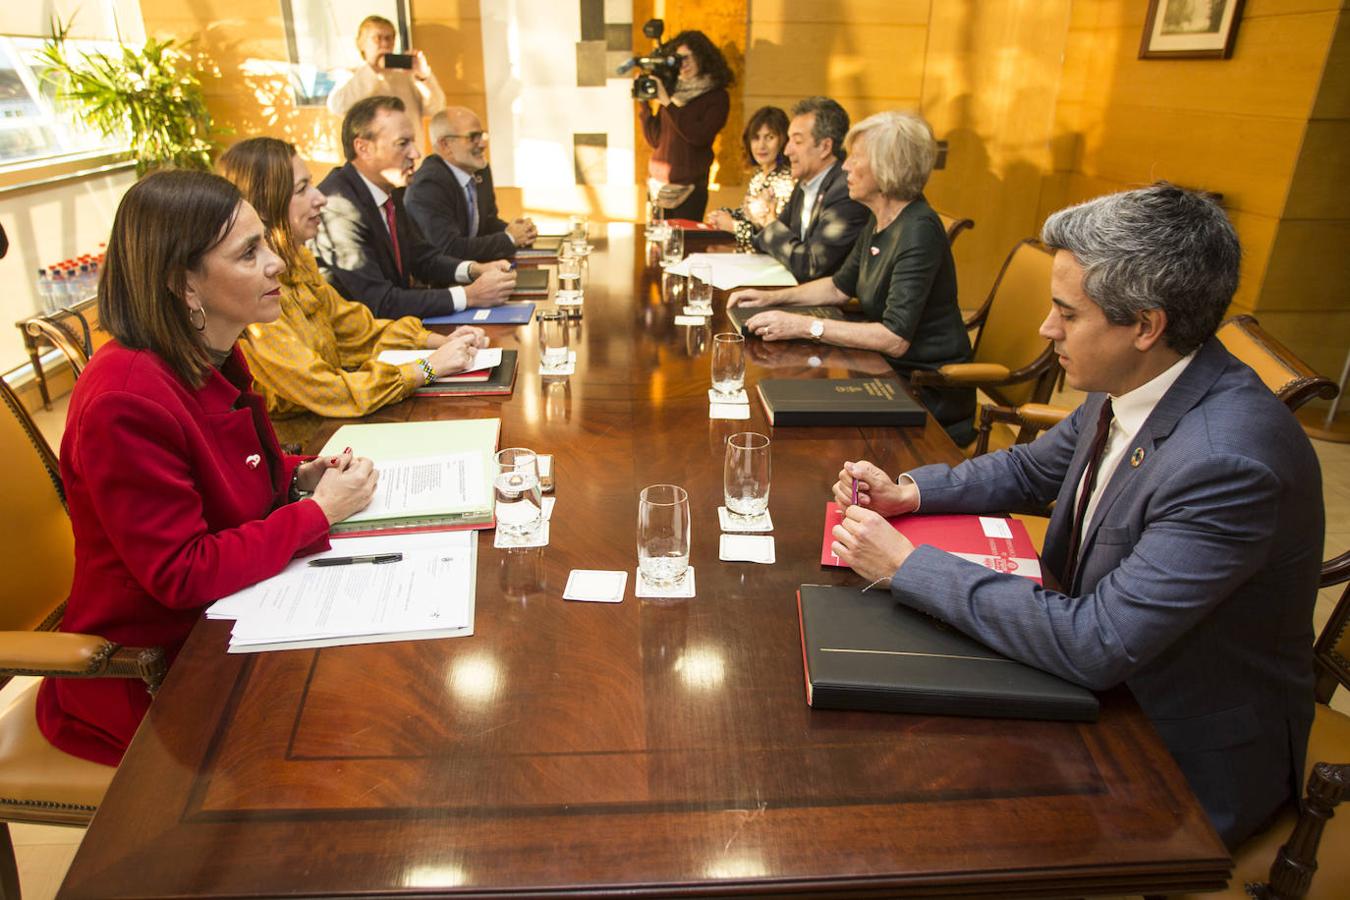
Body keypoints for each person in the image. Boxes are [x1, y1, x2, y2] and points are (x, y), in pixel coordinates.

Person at [828, 183, 1323, 850]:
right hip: (1096, 667)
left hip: (1174, 748)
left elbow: (1097, 642)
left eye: (1067, 312)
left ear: (1145, 325)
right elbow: (1032, 468)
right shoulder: (1146, 377)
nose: (1046, 329)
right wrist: (910, 495)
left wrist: (909, 565)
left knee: (923, 822)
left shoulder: (1228, 464)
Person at [34, 170, 379, 766]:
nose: (277, 264)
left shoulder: (209, 349)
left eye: (266, 243)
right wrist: (318, 513)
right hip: (153, 671)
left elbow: (223, 475)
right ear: (182, 282)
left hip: (230, 621)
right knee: (333, 746)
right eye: (250, 253)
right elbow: (180, 573)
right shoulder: (125, 398)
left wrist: (299, 475)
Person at [731, 111, 974, 444]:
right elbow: (837, 287)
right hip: (879, 371)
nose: (844, 166)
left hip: (925, 389)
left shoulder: (918, 230)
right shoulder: (881, 218)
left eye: (856, 158)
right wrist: (770, 297)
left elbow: (895, 338)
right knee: (774, 399)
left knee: (798, 429)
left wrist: (806, 326)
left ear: (887, 167)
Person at [218, 137, 489, 419]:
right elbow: (325, 389)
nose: (320, 197)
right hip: (303, 445)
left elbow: (359, 331)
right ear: (263, 206)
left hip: (332, 426)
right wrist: (428, 368)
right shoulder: (253, 294)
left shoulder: (299, 263)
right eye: (302, 189)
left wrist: (439, 342)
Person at [314, 96, 516, 320]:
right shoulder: (338, 206)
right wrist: (469, 296)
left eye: (413, 142)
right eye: (403, 144)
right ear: (363, 148)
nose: (416, 154)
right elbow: (380, 303)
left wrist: (474, 270)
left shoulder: (390, 189)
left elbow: (422, 258)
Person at [752, 96, 869, 282]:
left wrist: (768, 224)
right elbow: (768, 238)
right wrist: (768, 223)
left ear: (824, 147)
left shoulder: (846, 190)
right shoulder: (804, 183)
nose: (786, 151)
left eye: (797, 142)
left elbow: (810, 264)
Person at [405, 106, 538, 261]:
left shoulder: (480, 169)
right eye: (473, 137)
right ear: (445, 145)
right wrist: (509, 238)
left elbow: (486, 224)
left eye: (482, 135)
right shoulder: (428, 184)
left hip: (478, 271)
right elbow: (449, 249)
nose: (482, 144)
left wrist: (519, 231)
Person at [636, 29, 732, 221]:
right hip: (658, 189)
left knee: (684, 247)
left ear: (702, 57)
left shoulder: (717, 97)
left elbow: (698, 136)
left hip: (690, 190)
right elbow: (655, 140)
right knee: (656, 247)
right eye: (677, 60)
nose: (683, 65)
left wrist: (668, 103)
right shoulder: (672, 91)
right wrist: (644, 102)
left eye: (687, 58)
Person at [326, 14, 444, 152]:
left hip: (409, 157)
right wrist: (372, 70)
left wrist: (423, 76)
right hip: (373, 160)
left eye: (389, 38)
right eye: (377, 38)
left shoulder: (407, 75)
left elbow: (436, 108)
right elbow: (337, 106)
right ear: (362, 43)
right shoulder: (351, 75)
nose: (384, 43)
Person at [705, 105, 795, 252]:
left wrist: (733, 226)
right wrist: (724, 214)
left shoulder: (786, 181)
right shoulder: (759, 175)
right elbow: (746, 216)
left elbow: (771, 235)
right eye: (756, 138)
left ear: (783, 140)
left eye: (770, 137)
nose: (761, 146)